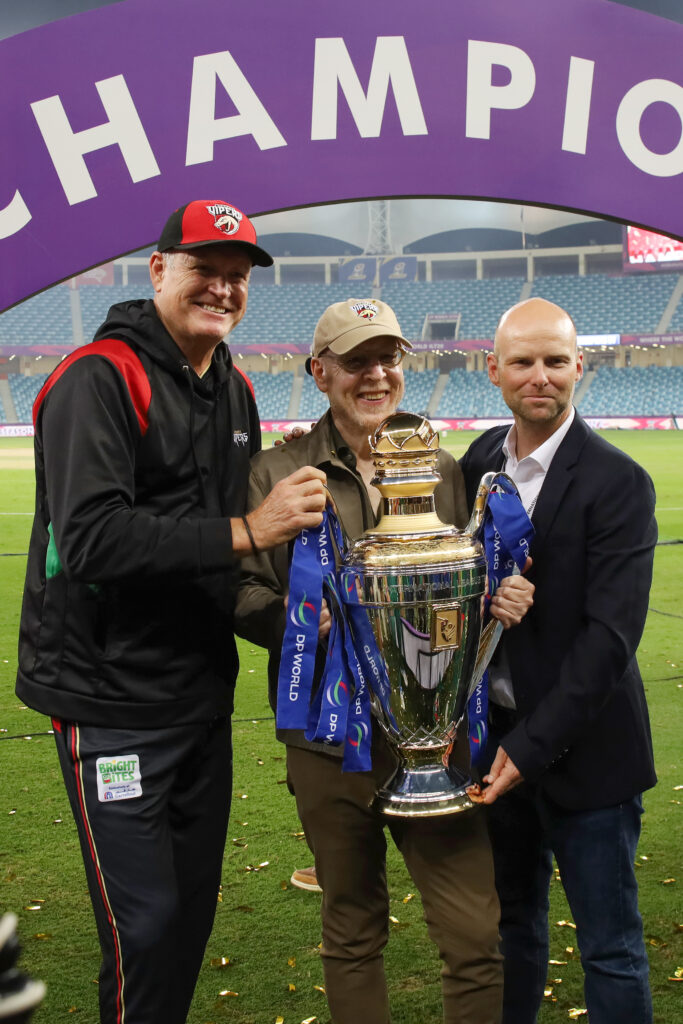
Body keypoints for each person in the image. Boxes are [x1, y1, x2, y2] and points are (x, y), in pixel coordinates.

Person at [15, 199, 326, 1024]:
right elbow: (92, 540)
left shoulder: (235, 388)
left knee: (187, 916)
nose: (222, 289)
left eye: (237, 276)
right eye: (204, 270)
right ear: (158, 270)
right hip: (109, 703)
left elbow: (222, 566)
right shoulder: (97, 378)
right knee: (144, 927)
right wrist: (248, 528)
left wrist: (300, 627)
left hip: (198, 698)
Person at [235, 298, 534, 1024]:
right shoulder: (278, 469)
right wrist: (297, 621)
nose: (375, 375)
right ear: (320, 372)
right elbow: (240, 589)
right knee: (351, 930)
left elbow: (464, 584)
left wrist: (499, 594)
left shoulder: (443, 467)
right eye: (356, 361)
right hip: (327, 739)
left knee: (473, 936)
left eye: (387, 359)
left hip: (435, 734)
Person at [460, 297, 657, 1024]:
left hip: (586, 753)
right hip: (494, 743)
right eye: (522, 362)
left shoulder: (618, 481)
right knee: (512, 929)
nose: (538, 376)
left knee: (610, 948)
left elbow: (609, 641)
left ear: (580, 366)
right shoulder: (478, 461)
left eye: (553, 361)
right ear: (494, 370)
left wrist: (529, 748)